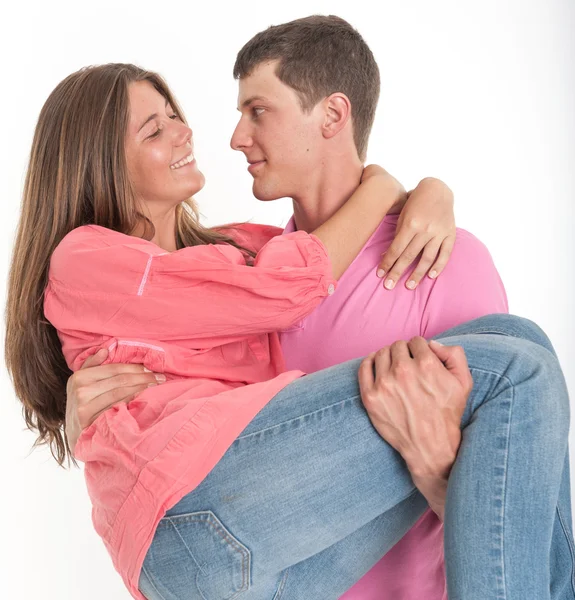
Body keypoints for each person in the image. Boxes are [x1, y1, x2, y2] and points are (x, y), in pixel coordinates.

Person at [5, 38, 573, 600]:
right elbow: (285, 286)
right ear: (99, 161)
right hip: (192, 512)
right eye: (155, 130)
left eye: (175, 116)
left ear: (333, 115)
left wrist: (431, 190)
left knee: (519, 341)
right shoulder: (86, 256)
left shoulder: (231, 254)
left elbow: (287, 265)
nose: (195, 133)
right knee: (519, 373)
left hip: (260, 558)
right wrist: (382, 183)